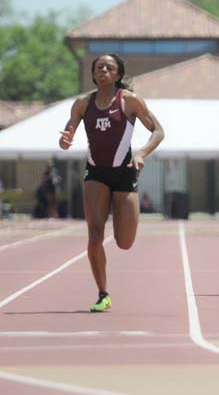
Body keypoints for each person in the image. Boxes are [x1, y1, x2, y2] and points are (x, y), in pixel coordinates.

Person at [59, 53, 164, 311]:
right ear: (93, 74)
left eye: (109, 67)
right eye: (99, 67)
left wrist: (141, 153)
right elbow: (68, 132)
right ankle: (103, 293)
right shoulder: (82, 104)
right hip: (95, 174)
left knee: (124, 242)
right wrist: (65, 140)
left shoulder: (130, 101)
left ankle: (120, 216)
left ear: (117, 74)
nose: (103, 70)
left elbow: (158, 131)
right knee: (94, 235)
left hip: (124, 172)